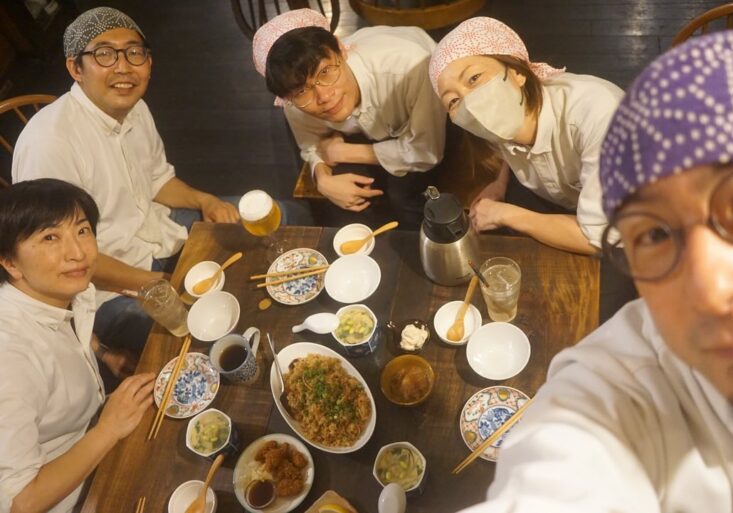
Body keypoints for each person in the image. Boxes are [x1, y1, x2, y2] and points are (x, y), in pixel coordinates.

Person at [460, 28, 733, 513]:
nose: (712, 284)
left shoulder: (592, 111)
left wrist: (510, 214)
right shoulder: (624, 371)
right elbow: (567, 448)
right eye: (655, 236)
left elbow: (590, 233)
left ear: (516, 72)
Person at [12, 7, 309, 371]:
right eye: (104, 54)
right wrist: (160, 282)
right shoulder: (49, 144)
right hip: (101, 287)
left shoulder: (135, 108)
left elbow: (157, 180)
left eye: (134, 53)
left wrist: (205, 200)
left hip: (158, 231)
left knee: (288, 215)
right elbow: (62, 258)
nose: (123, 68)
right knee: (202, 334)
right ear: (76, 68)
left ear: (148, 62)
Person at [0, 179, 154, 513]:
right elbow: (21, 502)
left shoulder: (62, 292)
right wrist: (108, 429)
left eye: (82, 230)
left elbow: (67, 329)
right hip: (76, 497)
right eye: (50, 238)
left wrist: (103, 354)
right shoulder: (9, 358)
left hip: (96, 429)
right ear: (10, 262)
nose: (78, 252)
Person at [430, 17, 624, 255]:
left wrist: (505, 214)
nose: (469, 104)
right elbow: (502, 140)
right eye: (453, 101)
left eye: (474, 78)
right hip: (563, 199)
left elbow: (600, 238)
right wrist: (500, 183)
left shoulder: (602, 118)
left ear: (516, 71)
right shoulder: (502, 116)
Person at [252, 9, 446, 229]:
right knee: (341, 203)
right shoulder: (295, 102)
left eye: (325, 72)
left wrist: (344, 152)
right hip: (364, 131)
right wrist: (322, 179)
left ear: (341, 49)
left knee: (404, 197)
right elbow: (311, 145)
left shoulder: (410, 67)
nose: (324, 97)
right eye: (302, 90)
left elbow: (427, 151)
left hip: (428, 112)